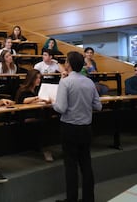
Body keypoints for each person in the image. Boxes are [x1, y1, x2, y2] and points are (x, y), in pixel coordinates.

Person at [52, 51, 102, 202]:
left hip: (70, 128)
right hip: (86, 128)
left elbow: (61, 108)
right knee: (86, 164)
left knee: (71, 166)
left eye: (66, 61)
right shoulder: (89, 82)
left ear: (69, 64)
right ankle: (88, 199)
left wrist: (52, 103)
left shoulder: (65, 82)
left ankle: (71, 199)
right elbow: (98, 106)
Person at [14, 69, 53, 162]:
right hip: (26, 116)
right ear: (31, 79)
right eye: (37, 78)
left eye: (40, 78)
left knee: (51, 121)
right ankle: (44, 149)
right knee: (43, 124)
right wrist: (37, 98)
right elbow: (23, 100)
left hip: (36, 115)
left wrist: (43, 100)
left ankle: (43, 148)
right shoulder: (23, 90)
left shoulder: (36, 90)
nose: (39, 80)